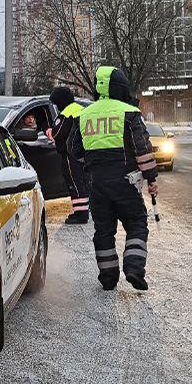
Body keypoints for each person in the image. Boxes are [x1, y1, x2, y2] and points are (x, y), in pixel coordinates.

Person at [69, 66, 158, 291]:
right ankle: (134, 268)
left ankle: (108, 277)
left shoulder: (84, 114)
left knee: (104, 230)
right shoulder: (128, 112)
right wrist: (151, 178)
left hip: (97, 185)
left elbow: (74, 149)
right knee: (137, 223)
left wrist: (92, 163)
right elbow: (143, 149)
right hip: (126, 182)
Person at [49, 86, 90, 224]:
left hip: (70, 154)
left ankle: (80, 214)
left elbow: (57, 133)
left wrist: (49, 130)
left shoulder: (66, 114)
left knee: (74, 182)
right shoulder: (81, 109)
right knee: (83, 182)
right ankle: (85, 210)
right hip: (83, 152)